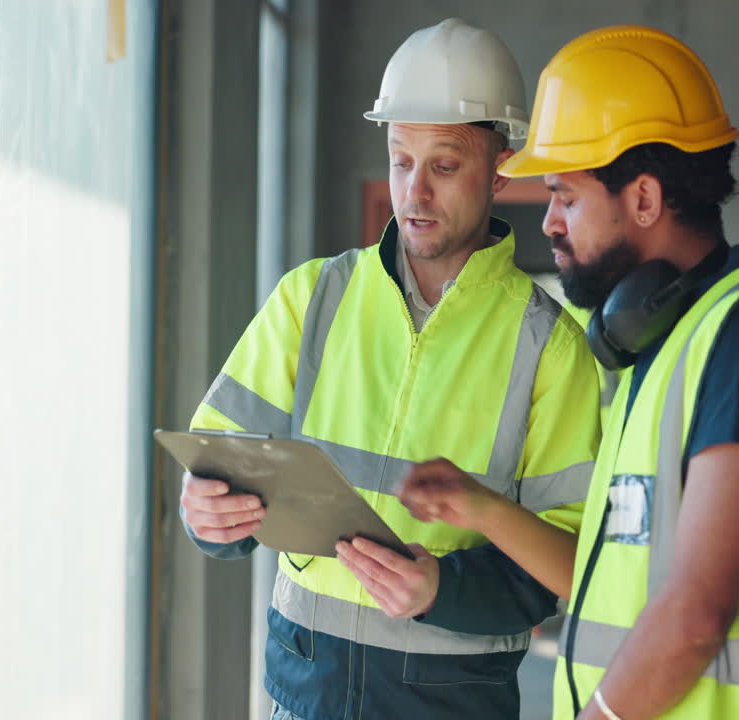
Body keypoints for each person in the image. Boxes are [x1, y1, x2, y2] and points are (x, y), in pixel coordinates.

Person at [398, 25, 739, 719]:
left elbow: (694, 614)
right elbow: (607, 582)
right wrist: (481, 509)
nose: (552, 223)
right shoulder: (663, 350)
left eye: (566, 196)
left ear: (645, 200)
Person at [177, 18, 601, 720]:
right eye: (402, 161)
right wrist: (208, 517)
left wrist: (441, 588)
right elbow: (219, 464)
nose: (415, 193)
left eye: (444, 165)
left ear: (500, 171)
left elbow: (565, 561)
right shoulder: (311, 299)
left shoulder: (551, 347)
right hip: (302, 695)